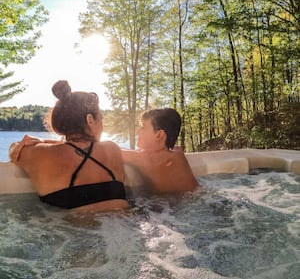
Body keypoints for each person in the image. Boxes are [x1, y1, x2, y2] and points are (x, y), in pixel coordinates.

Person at [9, 80, 129, 212]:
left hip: (74, 229)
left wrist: (41, 143)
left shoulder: (42, 155)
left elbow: (14, 150)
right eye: (100, 119)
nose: (102, 125)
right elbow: (82, 148)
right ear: (90, 120)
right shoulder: (112, 149)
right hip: (125, 225)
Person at [122, 108, 199, 195]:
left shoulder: (149, 159)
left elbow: (111, 151)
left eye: (143, 127)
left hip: (172, 206)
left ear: (159, 135)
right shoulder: (178, 152)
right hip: (198, 196)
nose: (138, 132)